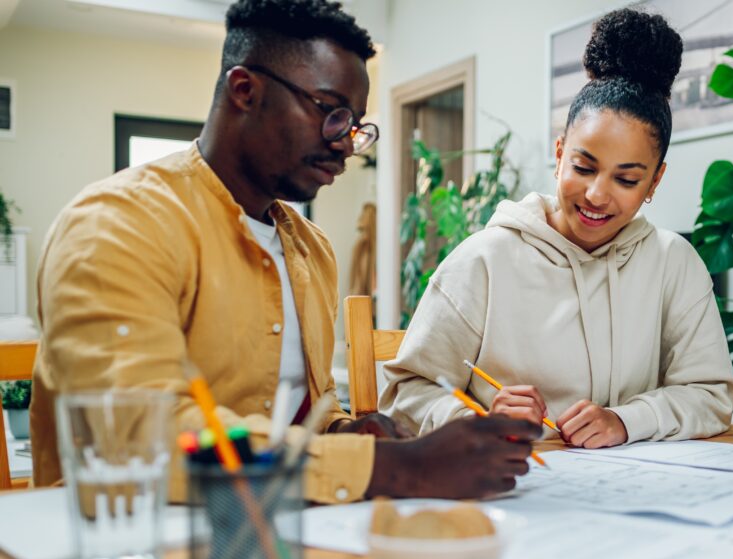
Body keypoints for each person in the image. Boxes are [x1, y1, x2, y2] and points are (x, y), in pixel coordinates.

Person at [29, 0, 539, 503]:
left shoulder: (310, 249)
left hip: (284, 525)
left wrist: (346, 432)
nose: (344, 142)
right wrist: (395, 468)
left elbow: (307, 411)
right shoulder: (117, 225)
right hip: (134, 531)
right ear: (245, 91)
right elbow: (134, 438)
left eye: (355, 124)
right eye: (330, 112)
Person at [380, 8, 733, 449]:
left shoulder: (672, 263)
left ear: (654, 181)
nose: (596, 195)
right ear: (559, 153)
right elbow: (402, 395)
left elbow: (711, 394)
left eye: (626, 179)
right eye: (583, 167)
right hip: (515, 495)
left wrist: (626, 421)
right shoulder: (484, 261)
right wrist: (476, 419)